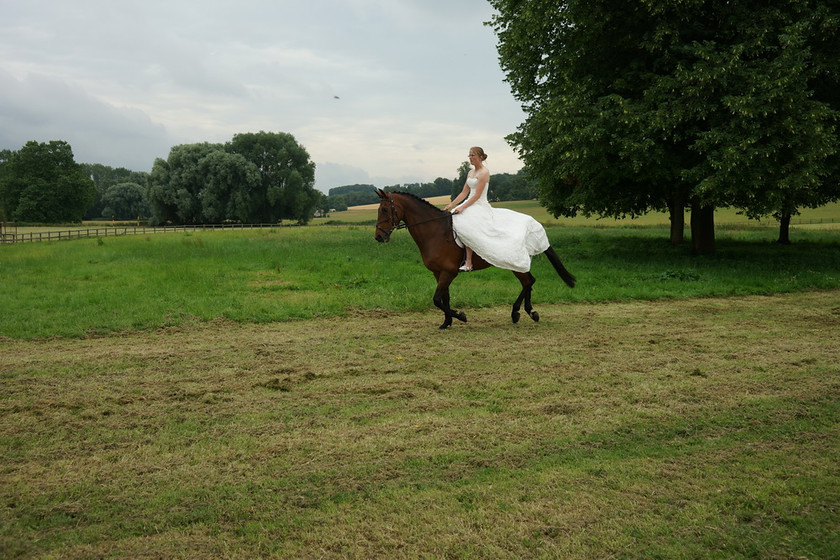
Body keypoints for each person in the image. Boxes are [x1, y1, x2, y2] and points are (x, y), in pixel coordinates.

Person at [444, 146, 550, 273]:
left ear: (480, 157)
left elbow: (477, 195)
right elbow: (464, 192)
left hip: (479, 205)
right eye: (469, 155)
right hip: (469, 203)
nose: (470, 158)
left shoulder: (484, 172)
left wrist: (462, 207)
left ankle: (468, 262)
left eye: (473, 155)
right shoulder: (470, 173)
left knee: (467, 224)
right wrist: (452, 205)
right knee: (451, 219)